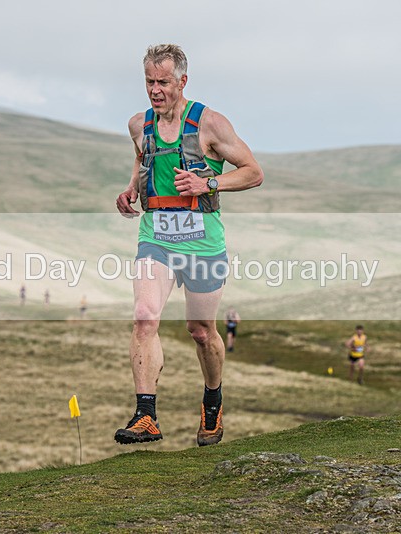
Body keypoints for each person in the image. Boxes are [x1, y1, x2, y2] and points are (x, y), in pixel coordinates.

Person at [114, 44, 263, 446]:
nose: (155, 89)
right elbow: (142, 158)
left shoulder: (209, 124)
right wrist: (131, 188)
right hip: (156, 237)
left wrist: (209, 182)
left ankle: (212, 401)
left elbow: (253, 172)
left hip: (202, 241)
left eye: (163, 82)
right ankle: (147, 416)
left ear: (183, 81)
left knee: (201, 331)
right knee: (144, 316)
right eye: (149, 81)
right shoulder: (137, 125)